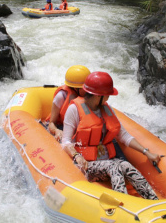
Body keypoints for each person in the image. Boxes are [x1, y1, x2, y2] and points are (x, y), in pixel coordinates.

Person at [62, 71, 160, 200]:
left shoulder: (107, 109)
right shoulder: (74, 110)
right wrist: (77, 156)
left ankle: (152, 200)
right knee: (114, 166)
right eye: (108, 95)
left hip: (108, 161)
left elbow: (124, 136)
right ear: (99, 96)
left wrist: (146, 152)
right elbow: (66, 141)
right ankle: (123, 203)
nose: (109, 98)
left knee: (126, 166)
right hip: (88, 164)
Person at [47, 65, 91, 141]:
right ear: (75, 88)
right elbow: (51, 123)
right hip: (61, 126)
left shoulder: (89, 96)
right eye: (84, 88)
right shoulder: (61, 96)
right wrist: (57, 131)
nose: (88, 90)